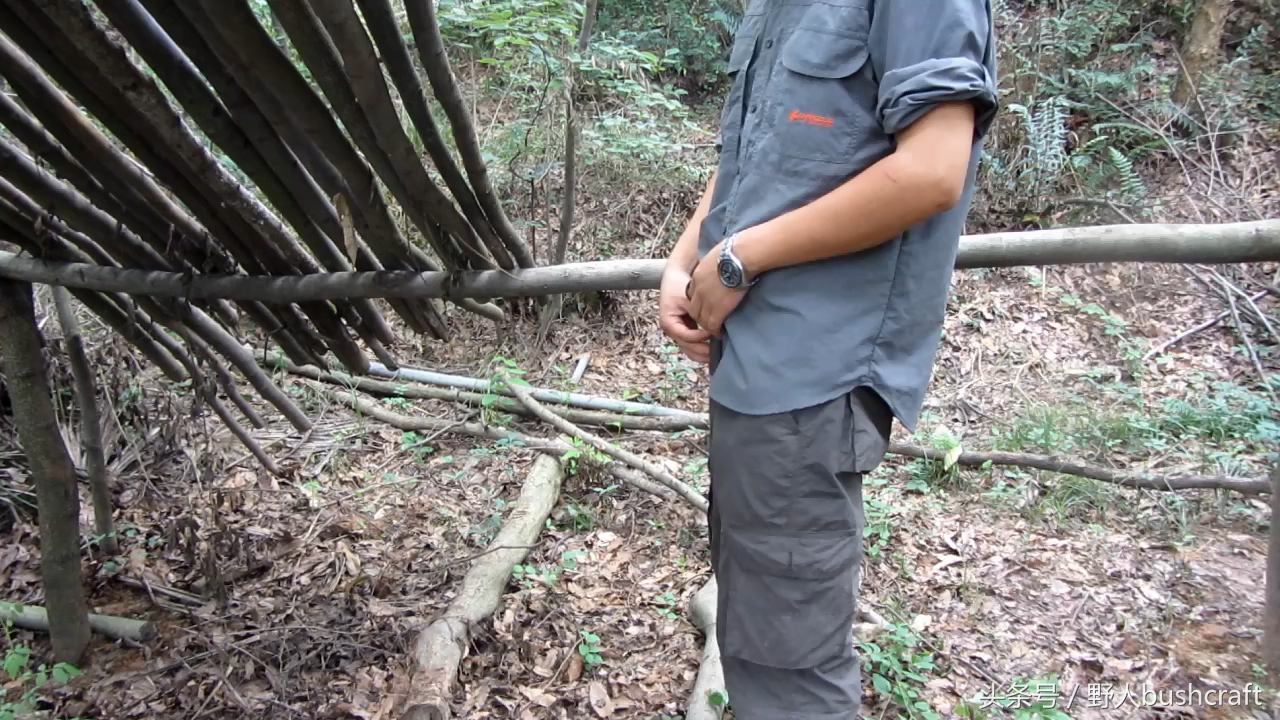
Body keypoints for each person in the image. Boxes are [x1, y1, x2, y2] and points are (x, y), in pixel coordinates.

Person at [656, 0, 999, 717]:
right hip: (751, 365)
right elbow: (753, 152)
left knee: (789, 666)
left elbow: (933, 169)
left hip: (813, 377)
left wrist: (739, 259)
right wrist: (688, 254)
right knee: (756, 626)